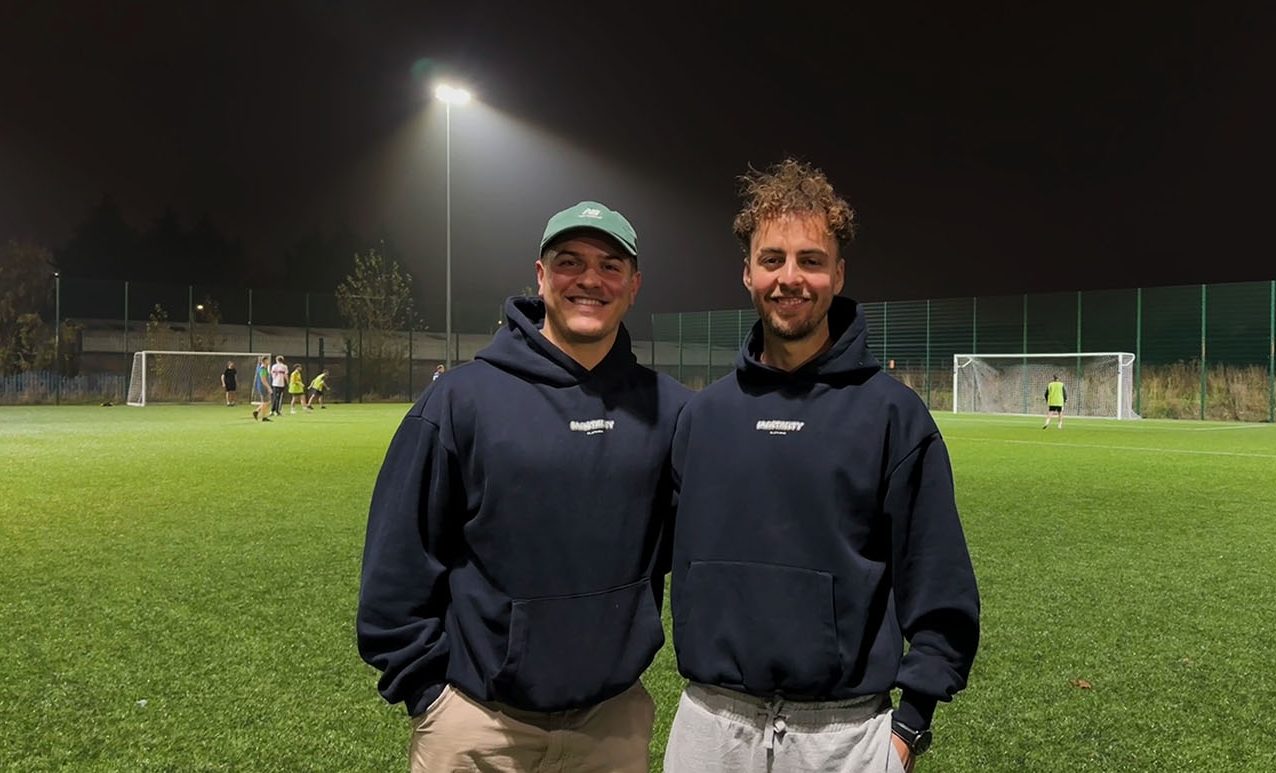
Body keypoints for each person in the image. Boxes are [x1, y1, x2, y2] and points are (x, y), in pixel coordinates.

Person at [666, 159, 980, 773]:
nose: (791, 278)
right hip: (711, 722)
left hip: (844, 732)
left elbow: (940, 584)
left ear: (838, 273)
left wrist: (910, 725)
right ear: (747, 272)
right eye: (773, 259)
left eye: (811, 260)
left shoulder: (893, 414)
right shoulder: (703, 417)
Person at [357, 200, 689, 773]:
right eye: (569, 262)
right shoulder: (461, 399)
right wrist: (428, 694)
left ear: (634, 286)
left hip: (611, 724)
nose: (590, 279)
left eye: (611, 265)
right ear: (540, 275)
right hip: (476, 722)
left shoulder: (672, 411)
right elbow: (399, 557)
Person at [251, 355, 272, 422]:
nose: (269, 361)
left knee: (266, 402)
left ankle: (260, 414)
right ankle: (260, 414)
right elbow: (263, 380)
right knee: (266, 402)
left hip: (263, 387)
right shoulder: (262, 369)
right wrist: (269, 387)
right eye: (268, 360)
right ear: (264, 361)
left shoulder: (264, 368)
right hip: (263, 387)